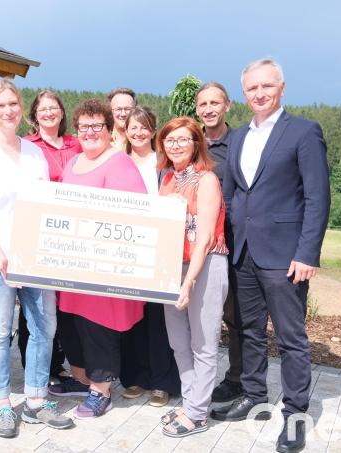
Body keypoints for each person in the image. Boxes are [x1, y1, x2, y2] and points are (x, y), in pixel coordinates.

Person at [211, 58, 330, 453]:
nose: (259, 94)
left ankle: (295, 415)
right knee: (247, 331)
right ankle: (254, 395)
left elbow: (317, 198)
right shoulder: (240, 136)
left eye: (266, 86)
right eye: (252, 89)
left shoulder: (304, 132)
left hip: (286, 256)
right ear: (243, 94)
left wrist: (307, 252)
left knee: (292, 339)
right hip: (243, 252)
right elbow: (231, 194)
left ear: (281, 87)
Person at [0, 79, 73, 438]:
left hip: (34, 258)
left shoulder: (34, 153)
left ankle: (37, 401)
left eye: (13, 104)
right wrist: (2, 258)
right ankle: (4, 404)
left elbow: (46, 203)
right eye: (1, 105)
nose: (8, 111)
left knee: (44, 328)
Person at [53, 99, 147, 419]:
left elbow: (132, 214)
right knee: (74, 327)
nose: (90, 132)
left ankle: (101, 390)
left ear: (109, 130)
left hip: (103, 268)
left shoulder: (119, 162)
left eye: (97, 126)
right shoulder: (73, 162)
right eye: (83, 127)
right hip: (74, 265)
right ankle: (83, 380)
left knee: (99, 328)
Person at [155, 117, 228, 438]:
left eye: (183, 139)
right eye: (170, 140)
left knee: (203, 342)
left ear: (197, 143)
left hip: (206, 266)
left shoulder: (207, 180)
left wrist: (189, 281)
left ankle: (198, 413)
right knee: (178, 341)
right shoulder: (167, 179)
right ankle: (190, 401)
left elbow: (205, 236)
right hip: (173, 267)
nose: (176, 145)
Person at [118, 106, 181, 407]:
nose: (138, 132)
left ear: (153, 130)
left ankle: (162, 381)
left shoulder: (164, 164)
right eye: (133, 127)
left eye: (144, 127)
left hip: (159, 248)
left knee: (159, 318)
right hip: (125, 249)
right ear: (125, 130)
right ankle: (135, 377)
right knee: (132, 316)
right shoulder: (119, 161)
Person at [18, 89, 82, 381]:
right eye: (42, 109)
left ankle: (66, 360)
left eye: (53, 107)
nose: (48, 113)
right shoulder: (25, 146)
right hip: (38, 233)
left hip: (73, 234)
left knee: (65, 300)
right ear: (34, 115)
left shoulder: (76, 144)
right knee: (35, 298)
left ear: (61, 112)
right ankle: (37, 364)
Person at [194, 82, 244, 404]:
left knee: (235, 316)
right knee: (195, 314)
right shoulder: (190, 140)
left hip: (233, 242)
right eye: (203, 104)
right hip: (192, 243)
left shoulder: (241, 142)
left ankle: (237, 378)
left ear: (227, 105)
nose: (209, 109)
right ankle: (193, 376)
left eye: (215, 102)